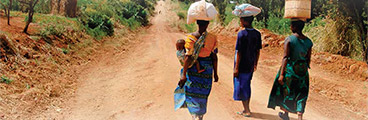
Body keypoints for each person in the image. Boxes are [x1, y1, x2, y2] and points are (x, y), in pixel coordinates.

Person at [267, 19, 313, 120]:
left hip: (291, 71)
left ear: (295, 27)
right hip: (303, 72)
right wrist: (304, 68)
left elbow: (285, 57)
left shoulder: (289, 40)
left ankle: (286, 114)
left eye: (291, 25)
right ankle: (299, 116)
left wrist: (282, 74)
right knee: (301, 93)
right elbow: (308, 58)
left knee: (288, 92)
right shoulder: (309, 42)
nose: (290, 27)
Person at [233, 15, 262, 117]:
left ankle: (247, 110)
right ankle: (246, 108)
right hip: (250, 63)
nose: (240, 21)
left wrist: (236, 68)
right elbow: (257, 51)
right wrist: (255, 63)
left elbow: (239, 52)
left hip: (242, 64)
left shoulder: (241, 34)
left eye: (241, 20)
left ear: (245, 21)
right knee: (247, 85)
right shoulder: (257, 34)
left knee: (242, 86)